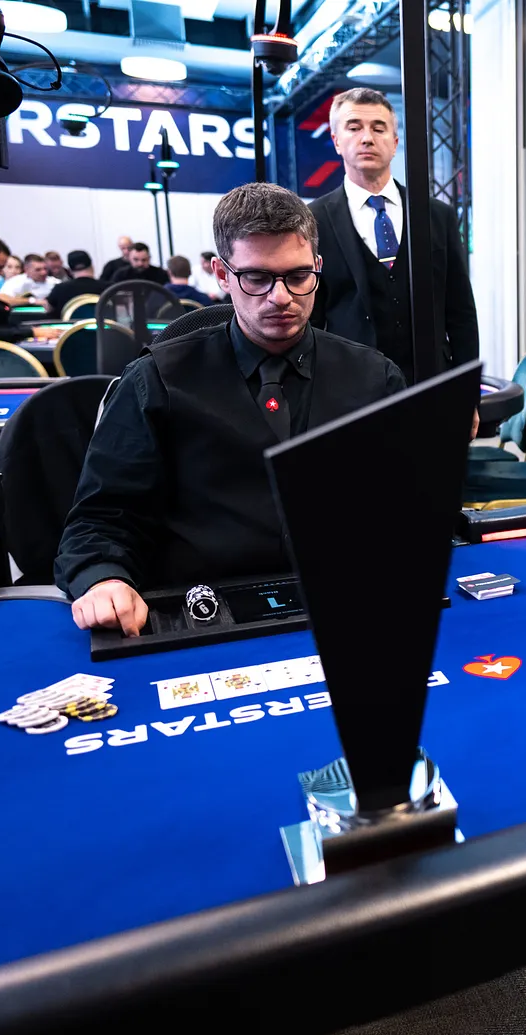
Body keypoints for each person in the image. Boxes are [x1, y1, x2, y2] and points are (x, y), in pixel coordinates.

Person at [55, 183, 413, 636]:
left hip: (348, 603)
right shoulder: (156, 379)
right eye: (257, 278)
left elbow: (405, 504)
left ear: (318, 268)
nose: (281, 297)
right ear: (222, 275)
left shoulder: (375, 377)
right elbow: (102, 518)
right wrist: (104, 578)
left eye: (298, 276)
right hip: (201, 614)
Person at [309, 87, 479, 383]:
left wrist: (467, 389)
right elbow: (311, 319)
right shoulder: (313, 221)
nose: (367, 138)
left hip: (431, 382)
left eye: (379, 128)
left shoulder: (437, 215)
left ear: (395, 142)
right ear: (336, 141)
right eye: (354, 128)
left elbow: (461, 311)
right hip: (350, 386)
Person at [44, 250, 109, 317]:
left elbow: (48, 310)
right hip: (103, 324)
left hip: (70, 324)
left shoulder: (59, 289)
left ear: (70, 270)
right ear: (92, 267)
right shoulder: (109, 288)